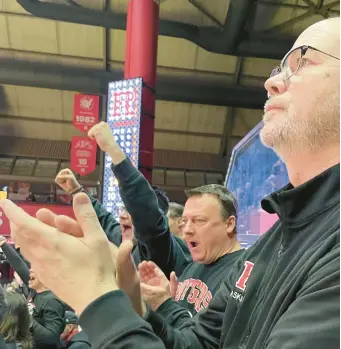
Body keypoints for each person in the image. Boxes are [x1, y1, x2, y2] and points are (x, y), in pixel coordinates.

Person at [1, 17, 339, 349]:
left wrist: (100, 299)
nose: (274, 82)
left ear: (230, 224)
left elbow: (150, 221)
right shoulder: (274, 242)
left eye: (302, 61)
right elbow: (198, 342)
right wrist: (139, 308)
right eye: (278, 69)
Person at [55, 159, 191, 276]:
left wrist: (115, 153)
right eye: (123, 209)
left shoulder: (163, 251)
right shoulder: (123, 239)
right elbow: (104, 219)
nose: (122, 215)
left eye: (131, 211)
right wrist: (76, 190)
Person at [0, 237, 65, 349]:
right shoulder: (35, 289)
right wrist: (3, 244)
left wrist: (25, 316)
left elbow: (51, 338)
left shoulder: (52, 300)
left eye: (33, 271)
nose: (29, 273)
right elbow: (19, 265)